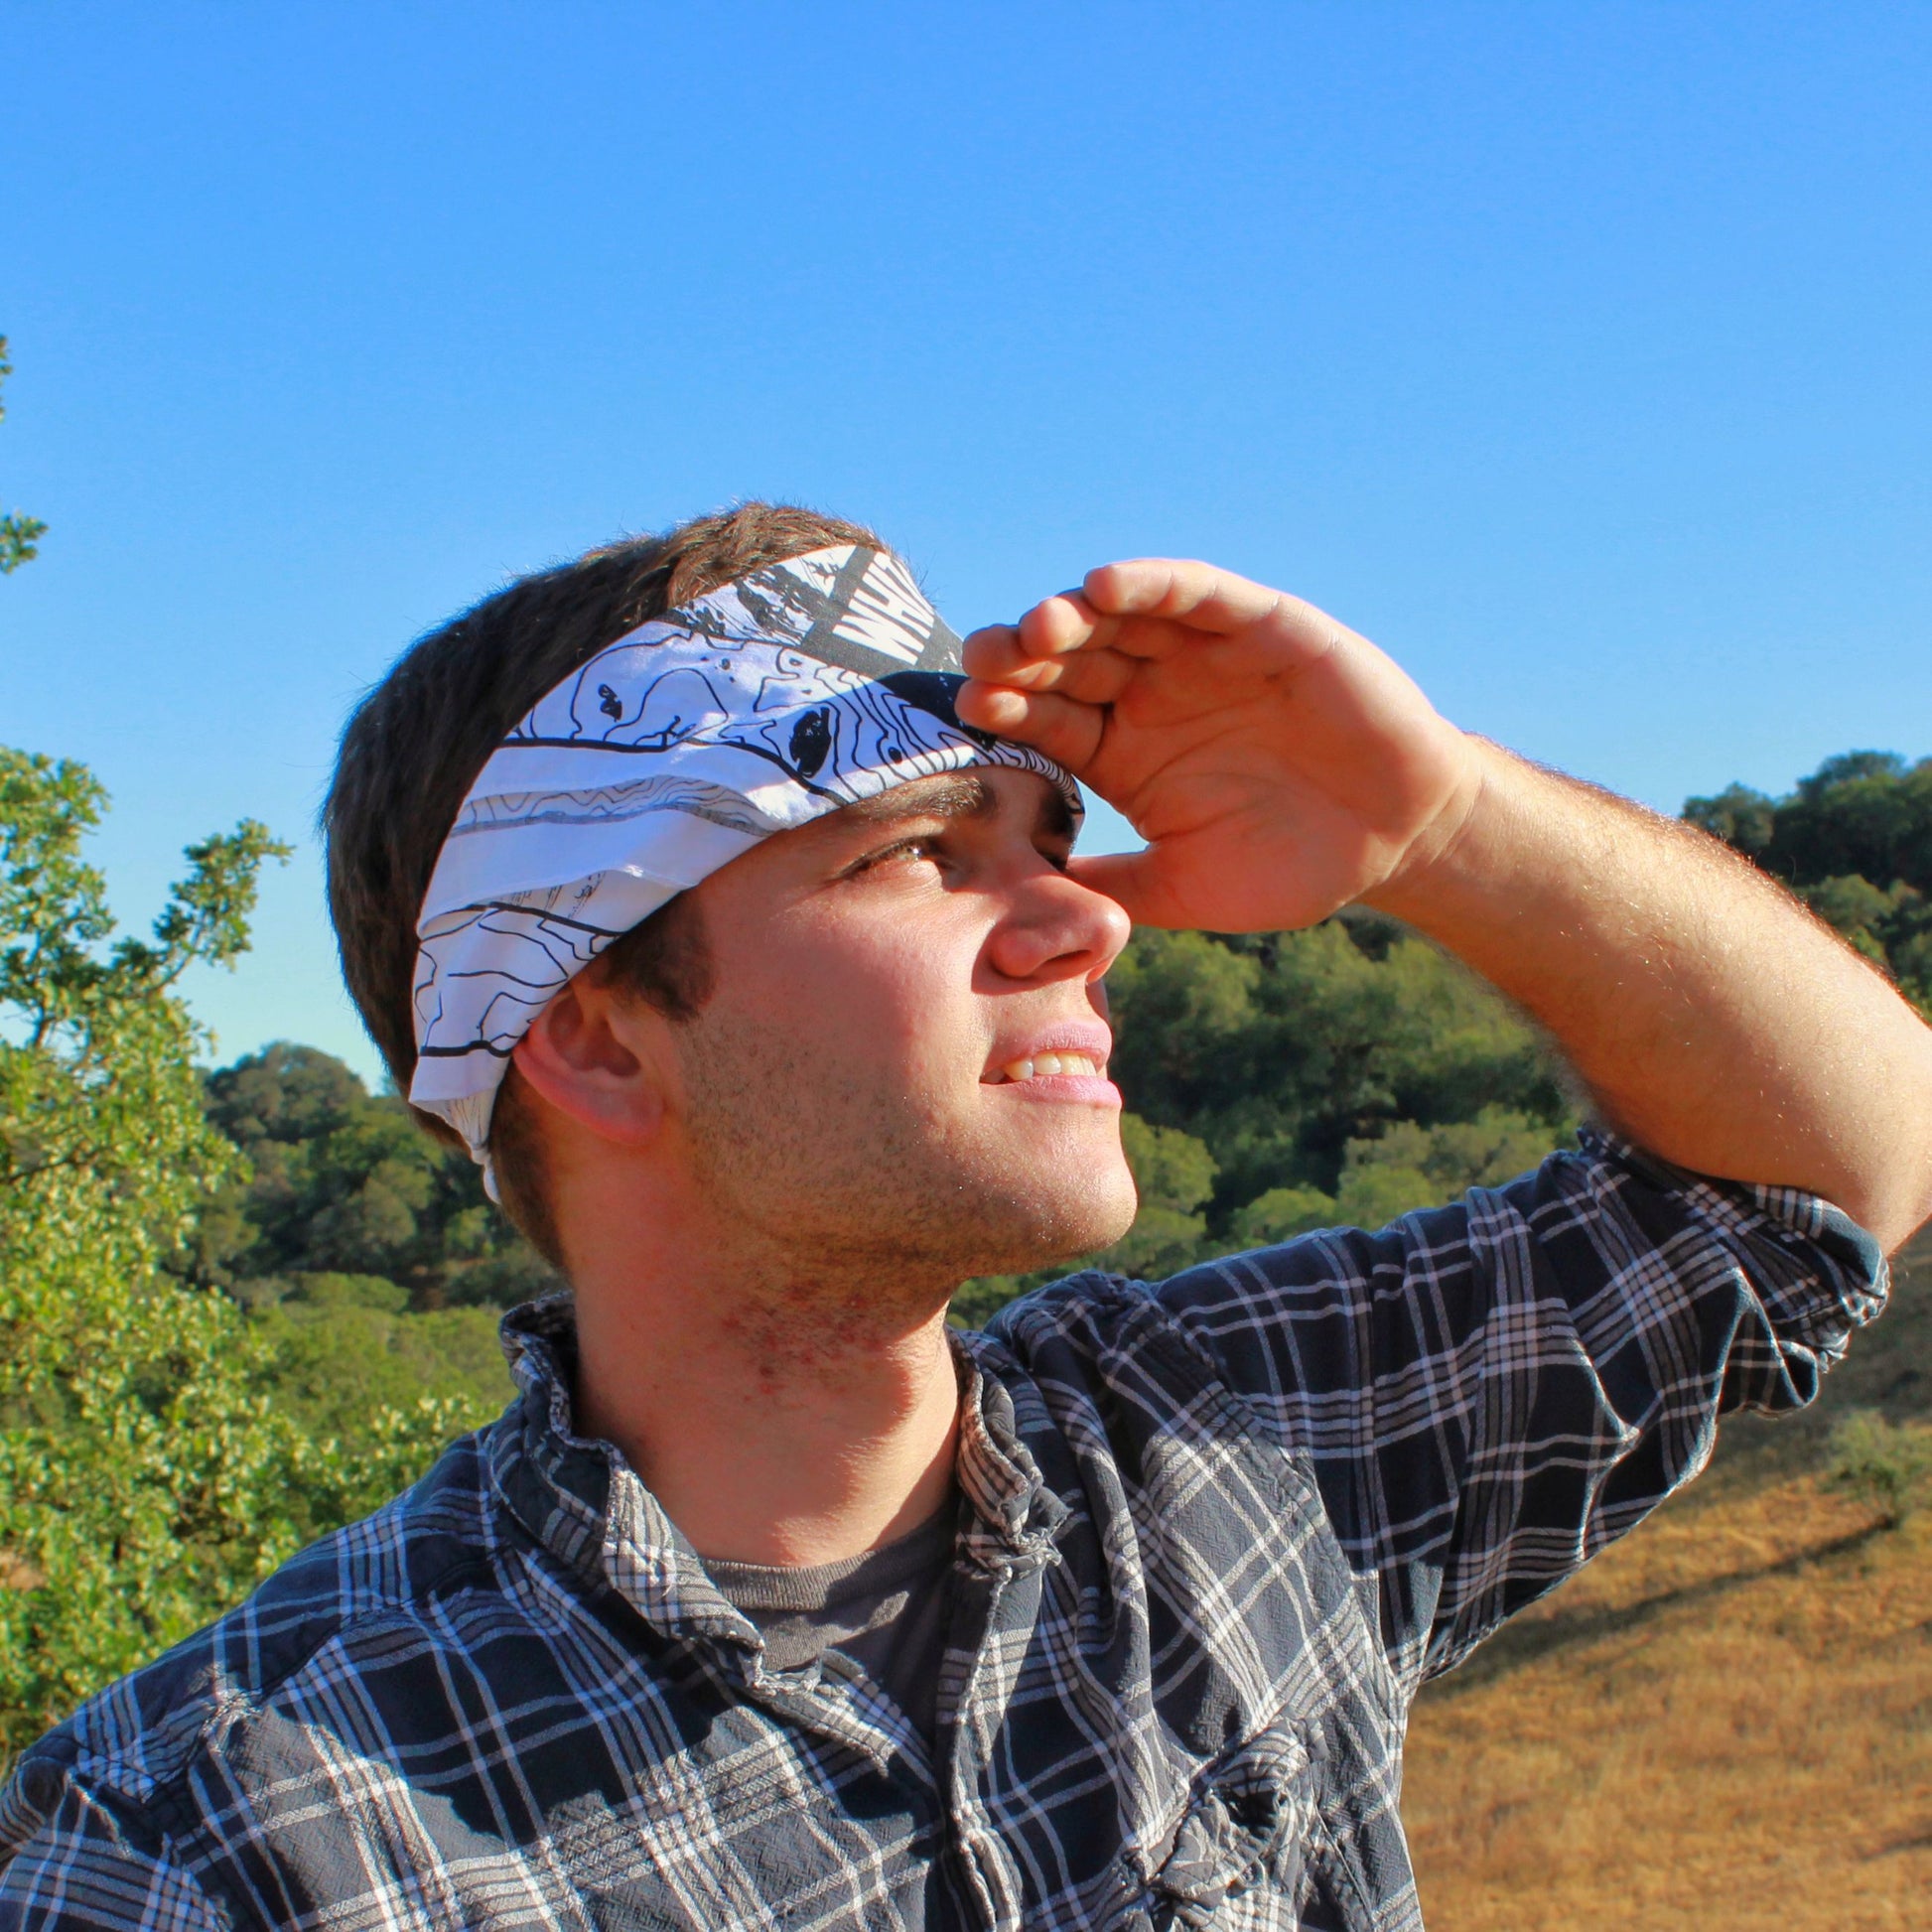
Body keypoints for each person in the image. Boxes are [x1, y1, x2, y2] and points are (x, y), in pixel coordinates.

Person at [2, 501, 1927, 1932]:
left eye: (1047, 837)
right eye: (919, 852)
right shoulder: (221, 1838)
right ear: (593, 1038)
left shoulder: (1230, 1450)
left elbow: (1836, 1165)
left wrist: (1440, 827)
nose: (1089, 917)